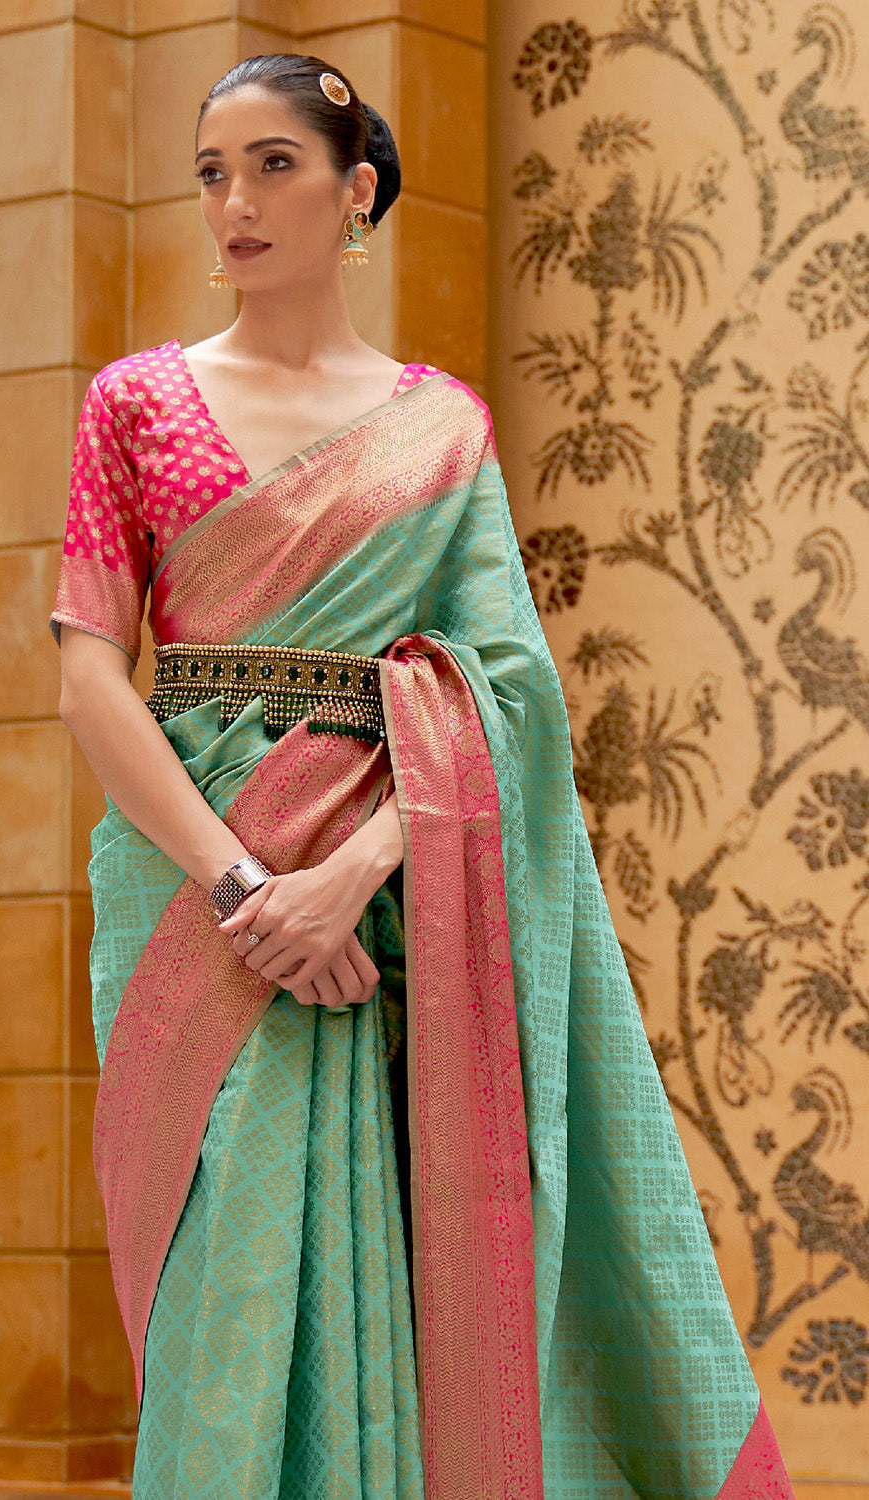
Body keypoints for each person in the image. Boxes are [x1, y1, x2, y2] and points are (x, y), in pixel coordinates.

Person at [52, 53, 794, 1500]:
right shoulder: (133, 403)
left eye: (274, 165)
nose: (235, 201)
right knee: (222, 1286)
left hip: (394, 908)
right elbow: (91, 677)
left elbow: (508, 694)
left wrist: (349, 876)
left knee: (397, 1269)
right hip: (195, 898)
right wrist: (250, 889)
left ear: (358, 193)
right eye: (213, 172)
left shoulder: (440, 429)